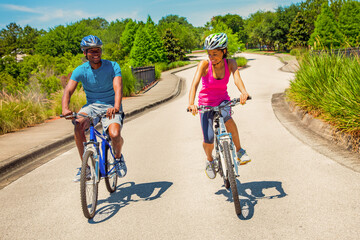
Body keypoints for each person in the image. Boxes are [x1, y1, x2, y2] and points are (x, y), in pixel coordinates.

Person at [62, 35, 126, 182]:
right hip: (91, 106)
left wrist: (116, 107)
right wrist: (65, 108)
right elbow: (68, 90)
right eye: (91, 51)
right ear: (85, 53)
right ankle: (86, 168)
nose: (95, 53)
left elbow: (118, 88)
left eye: (98, 50)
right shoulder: (80, 70)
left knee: (115, 134)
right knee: (78, 124)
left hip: (111, 106)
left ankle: (118, 158)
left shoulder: (113, 66)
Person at [187, 33, 251, 179]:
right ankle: (210, 160)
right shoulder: (204, 65)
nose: (211, 57)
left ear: (224, 51)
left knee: (228, 119)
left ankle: (239, 151)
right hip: (206, 104)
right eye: (209, 54)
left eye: (215, 54)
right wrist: (191, 103)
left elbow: (237, 79)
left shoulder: (231, 63)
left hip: (223, 100)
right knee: (208, 139)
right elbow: (194, 84)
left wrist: (243, 92)